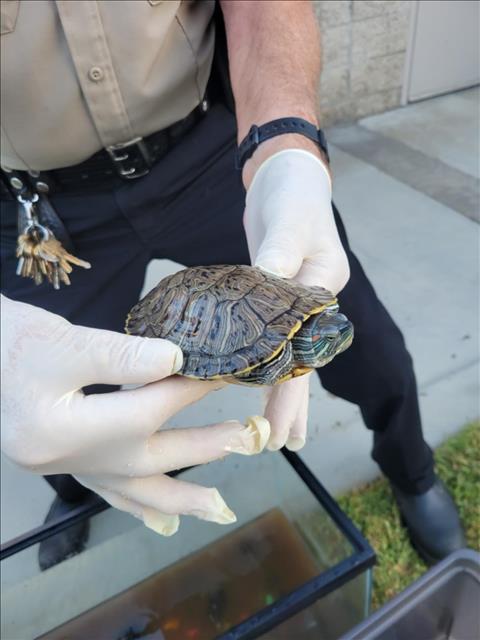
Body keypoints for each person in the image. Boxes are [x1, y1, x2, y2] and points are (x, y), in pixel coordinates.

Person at [1, 1, 465, 570]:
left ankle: (413, 471)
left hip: (209, 154)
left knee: (371, 344)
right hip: (39, 215)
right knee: (55, 402)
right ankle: (76, 497)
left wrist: (286, 142)